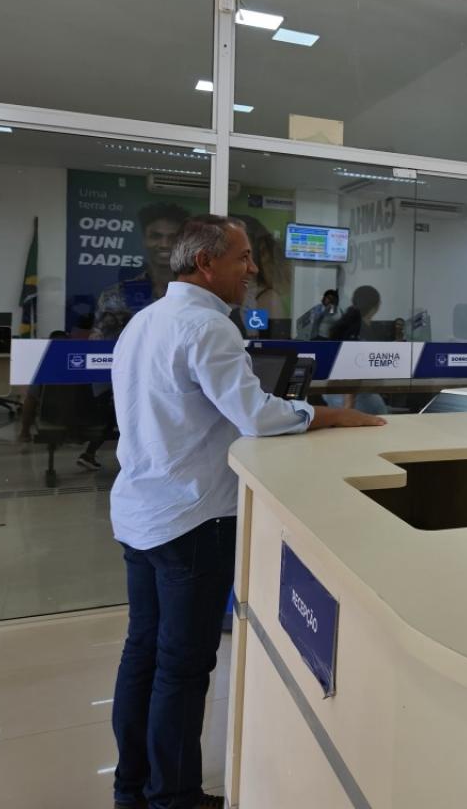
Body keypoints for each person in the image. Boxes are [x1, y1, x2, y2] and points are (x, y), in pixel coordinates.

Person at [108, 214, 384, 809]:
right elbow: (256, 416)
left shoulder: (145, 321)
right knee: (181, 667)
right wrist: (330, 415)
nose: (252, 269)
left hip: (141, 512)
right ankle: (173, 798)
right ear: (206, 263)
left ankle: (132, 789)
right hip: (193, 520)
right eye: (242, 258)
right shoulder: (208, 327)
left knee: (143, 653)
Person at [93, 202, 190, 340]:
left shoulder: (195, 294)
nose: (164, 244)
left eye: (173, 238)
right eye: (156, 236)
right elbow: (99, 347)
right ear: (144, 239)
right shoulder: (117, 295)